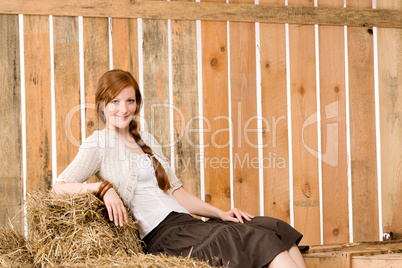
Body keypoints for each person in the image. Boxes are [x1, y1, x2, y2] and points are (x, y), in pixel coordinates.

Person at [53, 69, 306, 268]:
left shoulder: (147, 140)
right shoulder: (98, 143)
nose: (124, 109)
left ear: (137, 103)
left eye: (130, 101)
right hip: (164, 237)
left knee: (272, 228)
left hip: (187, 224)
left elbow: (177, 193)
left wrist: (221, 213)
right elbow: (58, 187)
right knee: (258, 239)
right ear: (102, 105)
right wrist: (102, 188)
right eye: (115, 101)